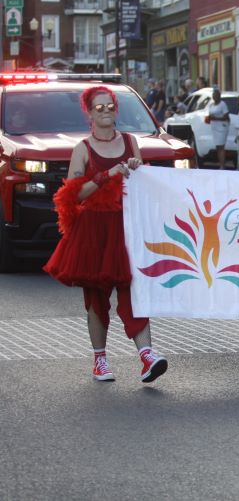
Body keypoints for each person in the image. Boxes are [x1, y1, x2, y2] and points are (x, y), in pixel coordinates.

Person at [43, 86, 168, 384]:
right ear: (89, 113)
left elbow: (140, 181)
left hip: (126, 227)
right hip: (94, 231)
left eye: (110, 105)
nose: (106, 111)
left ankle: (147, 355)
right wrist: (106, 175)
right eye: (99, 107)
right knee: (96, 298)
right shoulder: (83, 149)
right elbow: (74, 196)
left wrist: (136, 167)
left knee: (134, 291)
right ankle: (99, 359)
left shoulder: (130, 141)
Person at [208, 88, 230, 170]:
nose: (215, 96)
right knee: (217, 146)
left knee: (221, 146)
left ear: (219, 96)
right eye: (213, 95)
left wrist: (216, 118)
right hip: (214, 128)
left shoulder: (222, 104)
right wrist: (210, 118)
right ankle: (220, 163)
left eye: (216, 95)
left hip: (222, 127)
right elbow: (210, 115)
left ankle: (222, 165)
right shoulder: (211, 105)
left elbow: (226, 117)